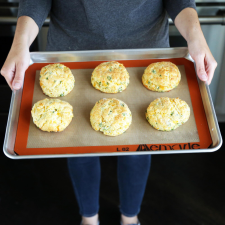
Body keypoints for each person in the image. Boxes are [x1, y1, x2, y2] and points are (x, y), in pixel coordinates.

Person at [0, 1, 217, 225]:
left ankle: (130, 217)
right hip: (73, 53)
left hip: (144, 53)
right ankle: (89, 218)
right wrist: (20, 43)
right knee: (79, 151)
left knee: (138, 150)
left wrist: (196, 36)